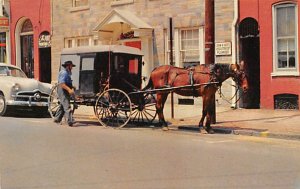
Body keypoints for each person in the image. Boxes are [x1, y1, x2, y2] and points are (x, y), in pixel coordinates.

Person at [54, 60, 76, 126]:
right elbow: (62, 84)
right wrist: (69, 89)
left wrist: (72, 87)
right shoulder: (64, 73)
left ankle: (57, 118)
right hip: (62, 90)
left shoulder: (67, 73)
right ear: (68, 66)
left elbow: (67, 83)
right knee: (67, 105)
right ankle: (70, 120)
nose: (72, 68)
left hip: (65, 90)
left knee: (62, 105)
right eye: (71, 66)